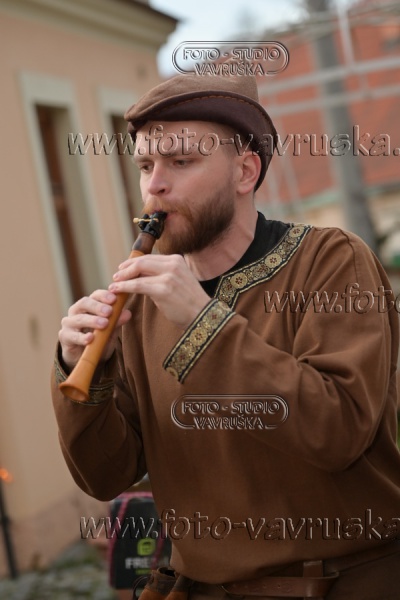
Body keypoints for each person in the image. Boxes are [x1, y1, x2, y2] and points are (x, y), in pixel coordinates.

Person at [51, 69, 400, 600]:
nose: (154, 186)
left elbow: (338, 431)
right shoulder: (141, 304)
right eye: (145, 165)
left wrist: (203, 322)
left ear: (245, 171)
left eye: (181, 162)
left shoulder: (332, 260)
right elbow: (105, 477)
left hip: (338, 585)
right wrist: (81, 370)